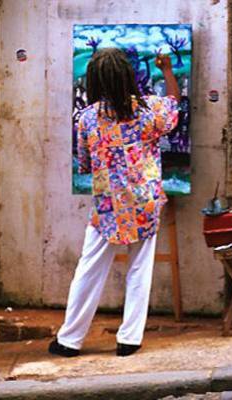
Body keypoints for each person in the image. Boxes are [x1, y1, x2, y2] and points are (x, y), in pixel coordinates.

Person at [48, 47, 180, 357]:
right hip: (145, 203)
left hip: (108, 205)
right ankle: (129, 340)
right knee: (140, 268)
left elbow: (85, 164)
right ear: (128, 76)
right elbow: (174, 103)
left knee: (89, 267)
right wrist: (167, 71)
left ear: (93, 80)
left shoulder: (87, 119)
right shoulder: (150, 111)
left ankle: (70, 339)